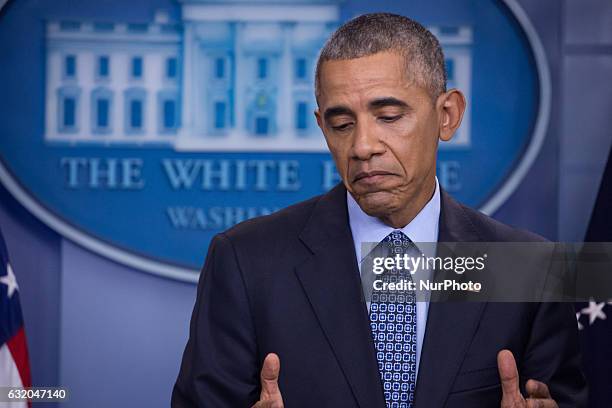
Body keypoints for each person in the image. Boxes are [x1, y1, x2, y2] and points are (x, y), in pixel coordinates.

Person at [172, 13, 587, 408]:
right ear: (322, 127)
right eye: (341, 124)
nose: (362, 146)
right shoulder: (246, 261)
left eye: (388, 116)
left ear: (447, 116)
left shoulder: (529, 269)